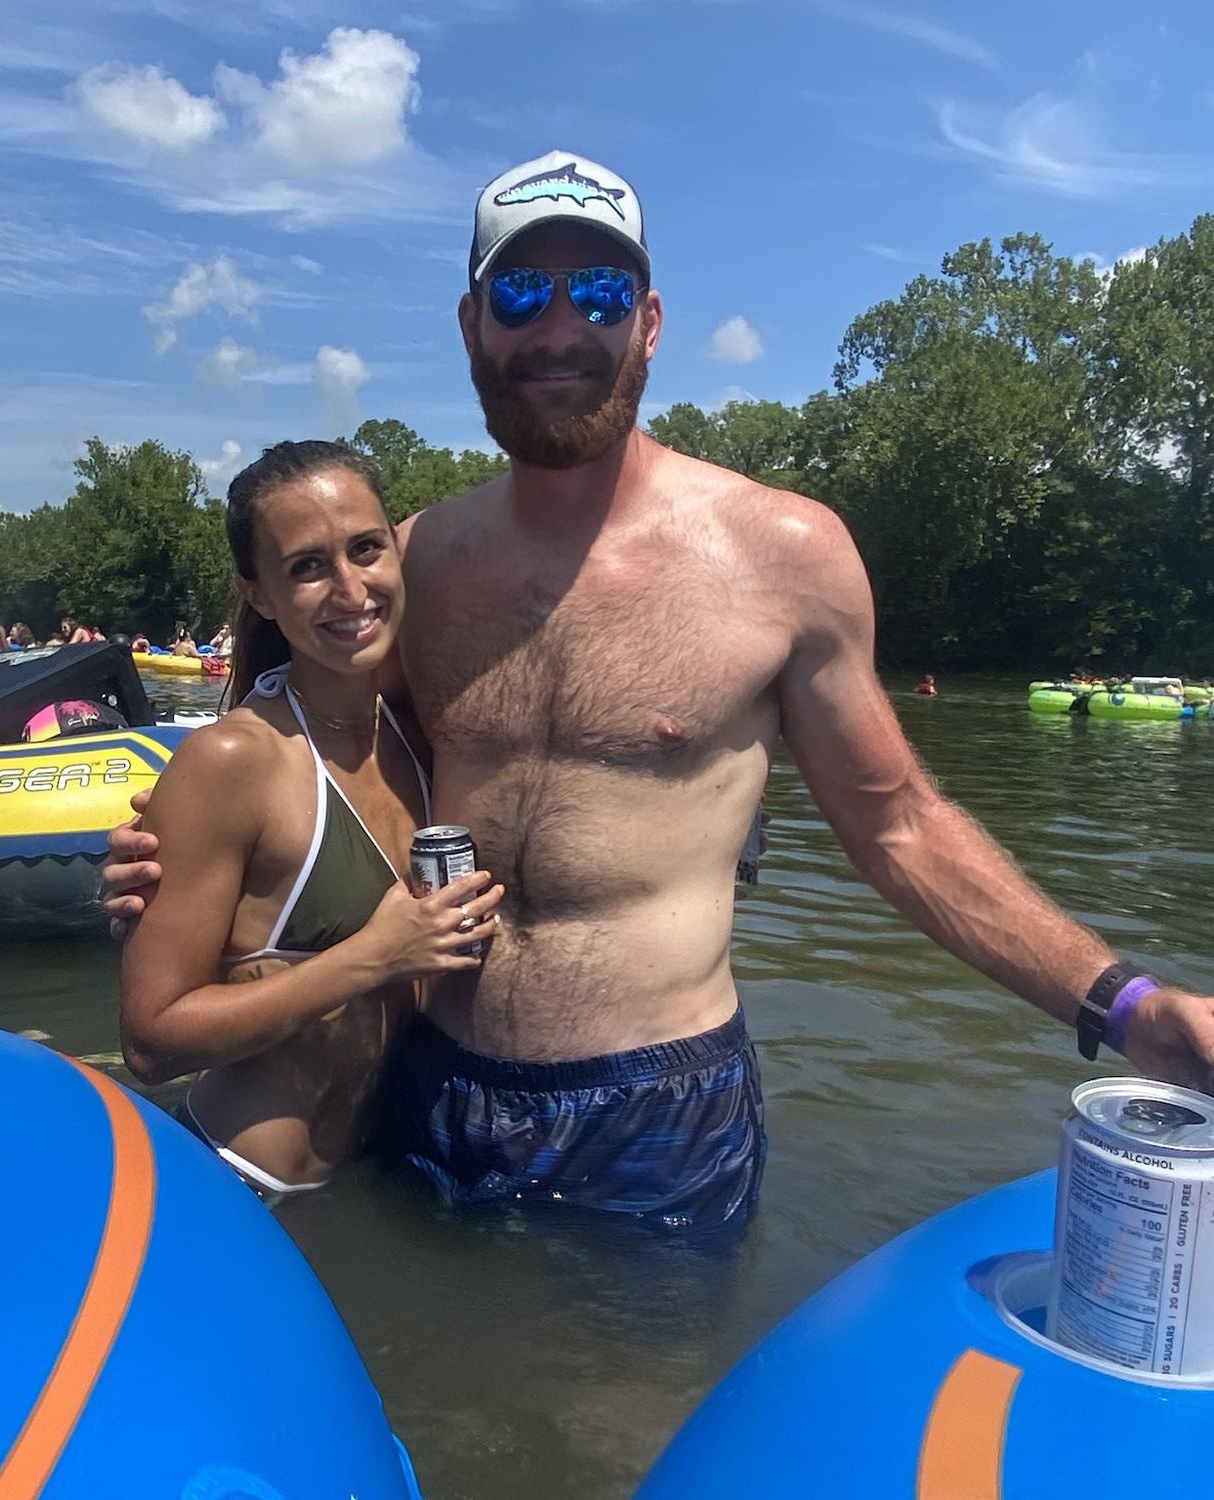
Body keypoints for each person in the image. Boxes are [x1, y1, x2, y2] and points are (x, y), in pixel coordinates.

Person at [105, 148, 1214, 1232]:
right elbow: (312, 745)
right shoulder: (414, 562)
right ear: (471, 324)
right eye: (522, 292)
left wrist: (1126, 1005)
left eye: (598, 291)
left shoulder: (784, 555)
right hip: (425, 1084)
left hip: (656, 1115)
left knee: (630, 1420)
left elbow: (900, 826)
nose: (558, 328)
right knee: (421, 1396)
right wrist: (184, 865)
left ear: (649, 321)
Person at [118, 441, 504, 1195]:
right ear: (259, 594)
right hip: (239, 1183)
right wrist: (374, 957)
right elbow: (151, 1040)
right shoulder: (234, 759)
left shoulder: (416, 735)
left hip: (368, 1181)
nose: (351, 589)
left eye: (367, 550)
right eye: (307, 567)